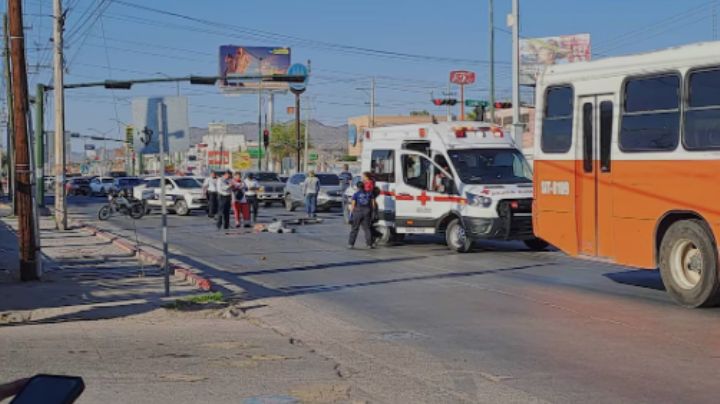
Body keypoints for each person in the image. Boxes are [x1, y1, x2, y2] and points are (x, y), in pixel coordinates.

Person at [348, 181, 374, 249]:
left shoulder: (356, 194)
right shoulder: (369, 194)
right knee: (367, 229)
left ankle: (351, 244)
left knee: (354, 228)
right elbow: (373, 204)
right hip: (367, 212)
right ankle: (369, 244)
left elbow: (353, 205)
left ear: (357, 187)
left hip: (358, 212)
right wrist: (372, 212)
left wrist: (350, 215)